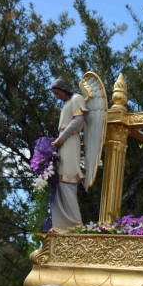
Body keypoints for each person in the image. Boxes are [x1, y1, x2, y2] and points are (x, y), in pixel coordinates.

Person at [50, 77, 87, 228]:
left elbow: (78, 120)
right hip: (63, 143)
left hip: (70, 141)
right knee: (60, 181)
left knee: (68, 180)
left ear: (64, 89)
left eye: (57, 93)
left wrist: (61, 139)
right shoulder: (66, 104)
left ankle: (76, 224)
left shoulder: (76, 98)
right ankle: (62, 225)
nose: (56, 96)